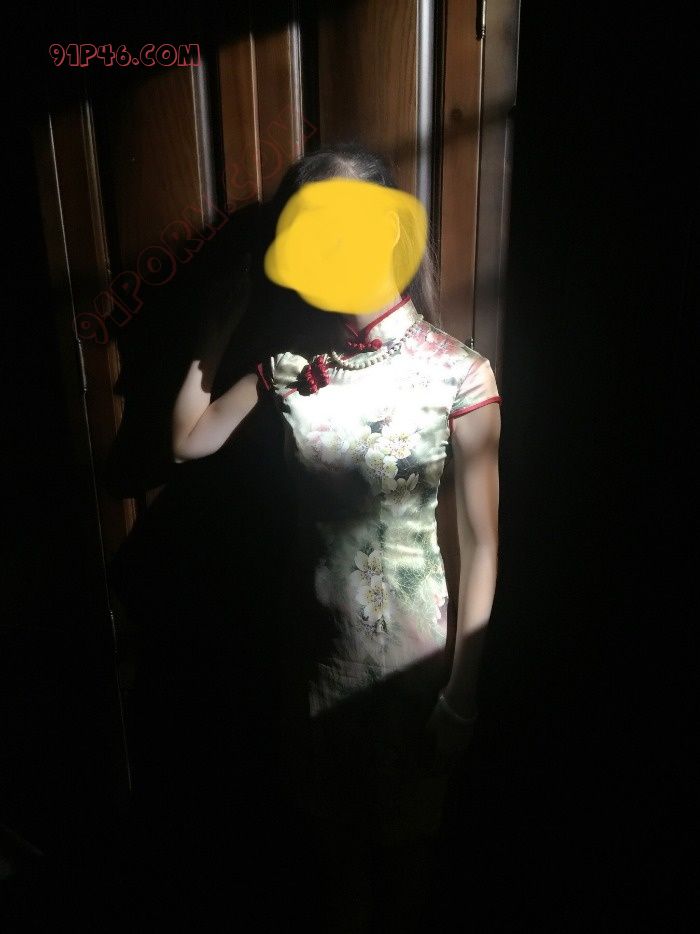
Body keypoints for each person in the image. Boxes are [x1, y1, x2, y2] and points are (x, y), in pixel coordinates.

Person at [171, 142, 502, 931]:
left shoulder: (459, 373)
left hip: (413, 667)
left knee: (408, 867)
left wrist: (464, 693)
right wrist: (217, 327)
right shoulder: (292, 366)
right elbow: (188, 441)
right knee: (337, 868)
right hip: (315, 655)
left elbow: (484, 542)